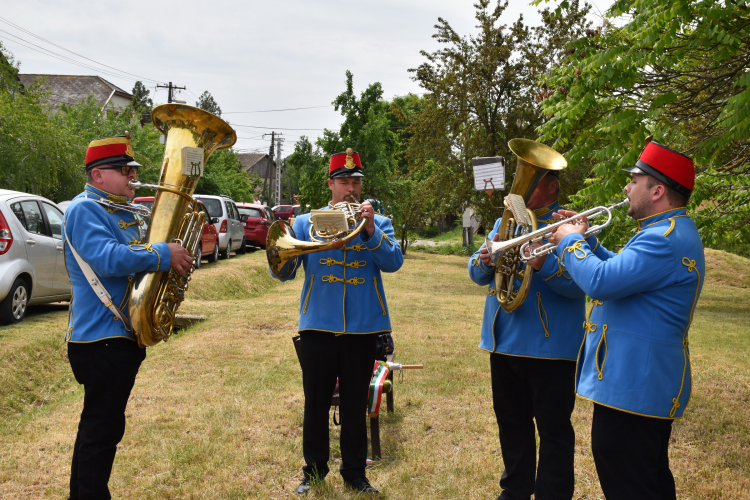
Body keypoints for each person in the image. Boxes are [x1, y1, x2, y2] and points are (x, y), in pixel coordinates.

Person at [548, 140, 704, 500]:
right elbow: (624, 272)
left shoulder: (663, 239)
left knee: (631, 482)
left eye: (634, 180)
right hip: (635, 382)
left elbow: (601, 281)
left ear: (658, 190)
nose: (626, 187)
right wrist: (589, 242)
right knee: (642, 479)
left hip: (636, 384)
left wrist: (570, 243)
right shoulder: (663, 232)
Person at [63, 133, 193, 500]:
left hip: (119, 337)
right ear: (97, 174)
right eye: (124, 170)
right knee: (101, 430)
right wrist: (162, 253)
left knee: (102, 428)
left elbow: (138, 263)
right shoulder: (85, 209)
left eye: (132, 170)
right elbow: (107, 259)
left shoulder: (123, 210)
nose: (132, 177)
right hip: (99, 338)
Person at [273, 148, 403, 495]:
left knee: (354, 402)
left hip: (362, 326)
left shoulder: (378, 222)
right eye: (344, 181)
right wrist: (282, 256)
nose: (350, 188)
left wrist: (371, 231)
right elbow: (285, 273)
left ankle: (355, 473)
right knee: (315, 400)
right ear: (330, 184)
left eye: (355, 182)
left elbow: (393, 263)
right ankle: (313, 471)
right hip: (317, 323)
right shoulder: (304, 222)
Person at [468, 171, 595, 500]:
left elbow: (582, 283)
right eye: (521, 180)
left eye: (532, 182)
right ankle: (515, 490)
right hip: (504, 342)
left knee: (553, 432)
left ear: (553, 186)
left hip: (551, 348)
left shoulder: (573, 227)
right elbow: (475, 270)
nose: (521, 189)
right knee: (511, 425)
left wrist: (544, 265)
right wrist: (484, 261)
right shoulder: (507, 221)